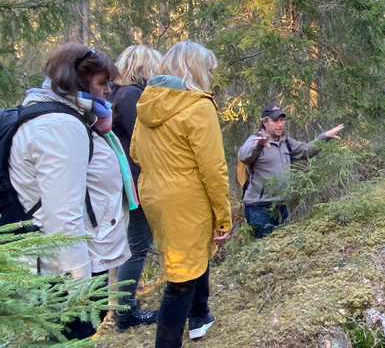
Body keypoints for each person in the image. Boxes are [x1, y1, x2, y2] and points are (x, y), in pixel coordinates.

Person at [9, 43, 131, 340]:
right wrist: (81, 286)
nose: (107, 91)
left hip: (65, 263)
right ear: (75, 82)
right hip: (64, 272)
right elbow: (62, 216)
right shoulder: (61, 127)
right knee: (72, 336)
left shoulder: (61, 117)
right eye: (102, 83)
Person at [131, 41, 231, 348]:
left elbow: (135, 152)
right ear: (196, 69)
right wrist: (223, 217)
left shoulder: (148, 103)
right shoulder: (198, 106)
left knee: (189, 259)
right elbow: (213, 168)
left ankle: (199, 317)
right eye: (209, 68)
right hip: (186, 199)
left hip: (154, 195)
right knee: (180, 280)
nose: (212, 74)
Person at [110, 45, 162, 331]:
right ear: (143, 68)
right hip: (135, 181)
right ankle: (125, 311)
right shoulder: (131, 95)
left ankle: (122, 308)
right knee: (137, 246)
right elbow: (143, 141)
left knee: (131, 245)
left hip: (125, 180)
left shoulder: (117, 94)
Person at [237, 103, 344, 238]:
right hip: (260, 207)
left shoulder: (285, 141)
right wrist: (258, 145)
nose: (280, 124)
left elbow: (306, 150)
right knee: (263, 251)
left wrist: (324, 137)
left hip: (282, 204)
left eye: (282, 120)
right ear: (265, 122)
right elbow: (243, 156)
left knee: (281, 250)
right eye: (275, 121)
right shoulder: (255, 140)